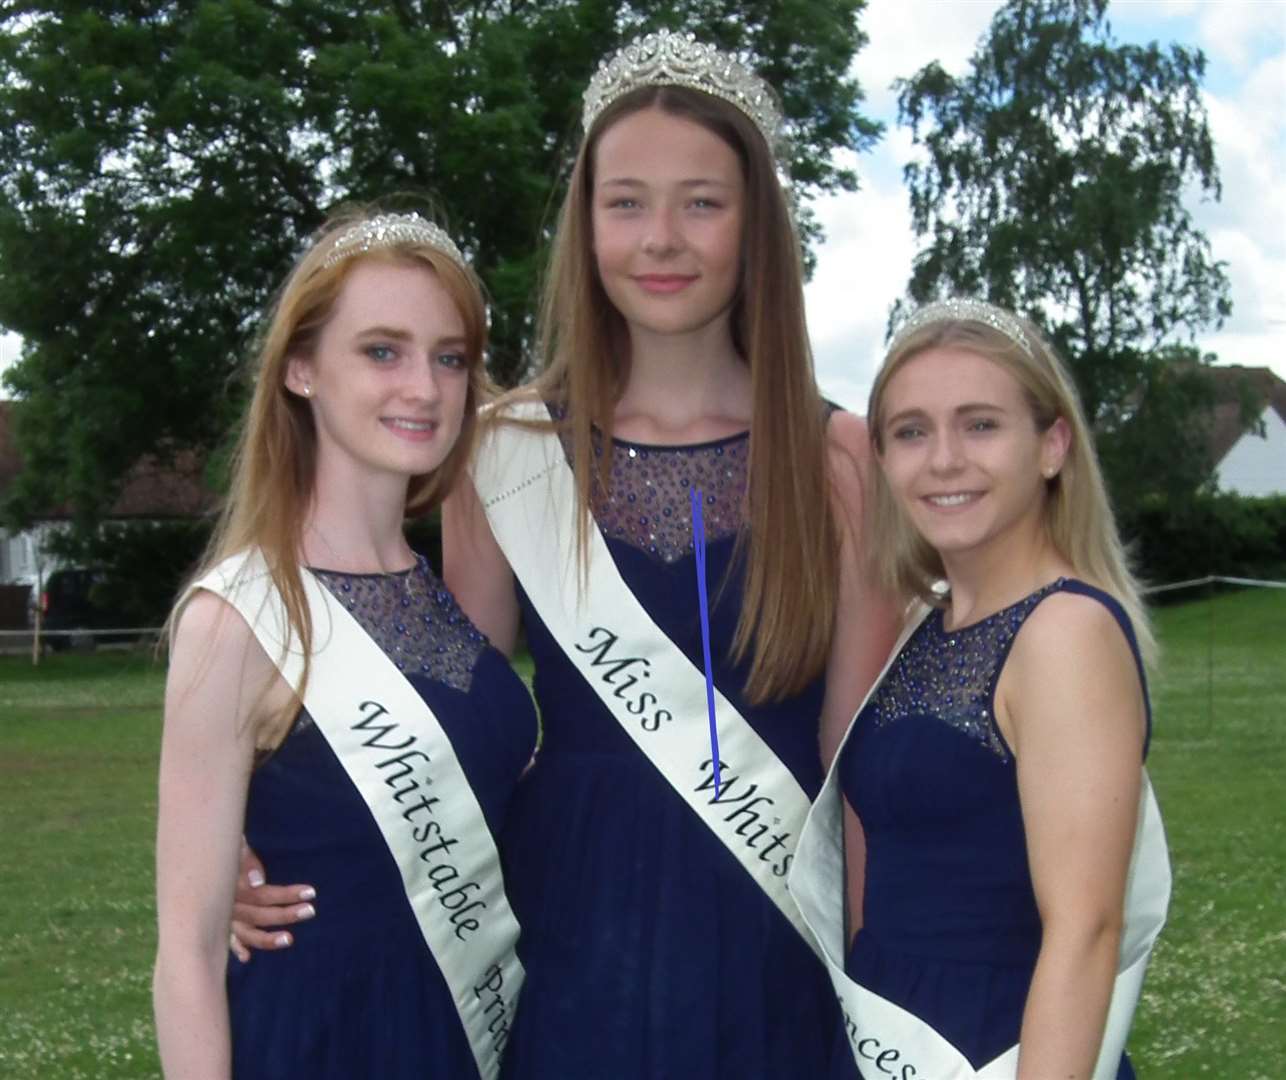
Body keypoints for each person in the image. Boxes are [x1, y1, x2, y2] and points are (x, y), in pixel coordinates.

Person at [442, 30, 898, 1079]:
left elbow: (858, 761)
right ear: (584, 223)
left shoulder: (838, 461)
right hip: (571, 932)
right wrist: (271, 839)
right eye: (625, 201)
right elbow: (457, 733)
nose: (661, 238)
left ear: (755, 228)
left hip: (777, 937)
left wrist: (879, 977)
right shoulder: (504, 452)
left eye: (701, 201)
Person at [153, 209, 537, 1080]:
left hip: (468, 1038)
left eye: (449, 357)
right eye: (381, 351)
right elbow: (185, 954)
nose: (427, 387)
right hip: (318, 1043)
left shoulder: (451, 599)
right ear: (300, 368)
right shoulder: (236, 620)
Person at [790, 299, 1171, 1080]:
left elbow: (1086, 931)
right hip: (884, 1035)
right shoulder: (927, 626)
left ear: (1053, 445)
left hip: (1001, 1049)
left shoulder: (1066, 633)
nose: (943, 460)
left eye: (981, 425)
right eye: (911, 432)